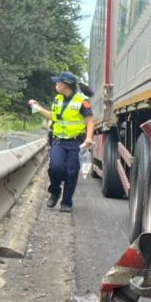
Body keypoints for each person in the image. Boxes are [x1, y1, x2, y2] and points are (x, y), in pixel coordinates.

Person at [29, 71, 94, 212]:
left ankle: (67, 202)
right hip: (58, 140)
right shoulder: (58, 99)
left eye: (58, 82)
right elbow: (53, 116)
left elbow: (90, 121)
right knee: (55, 168)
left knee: (71, 172)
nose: (56, 84)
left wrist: (89, 138)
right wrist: (37, 107)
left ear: (65, 85)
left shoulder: (82, 101)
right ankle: (55, 191)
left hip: (75, 143)